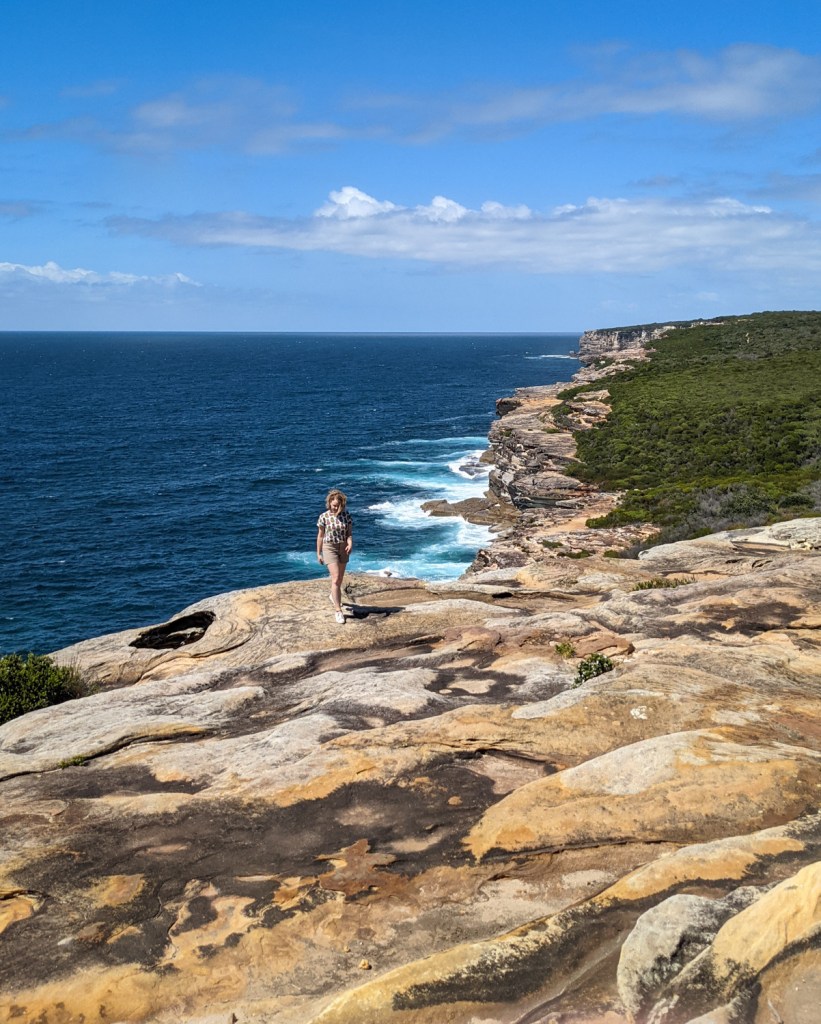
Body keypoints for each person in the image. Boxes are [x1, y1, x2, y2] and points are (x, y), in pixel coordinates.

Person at [317, 489, 353, 623]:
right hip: (329, 547)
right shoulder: (324, 517)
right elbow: (320, 536)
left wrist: (350, 543)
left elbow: (349, 534)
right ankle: (338, 610)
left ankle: (333, 596)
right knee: (336, 578)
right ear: (329, 504)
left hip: (343, 547)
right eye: (333, 505)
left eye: (338, 505)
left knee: (340, 579)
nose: (335, 507)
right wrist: (319, 553)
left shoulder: (346, 516)